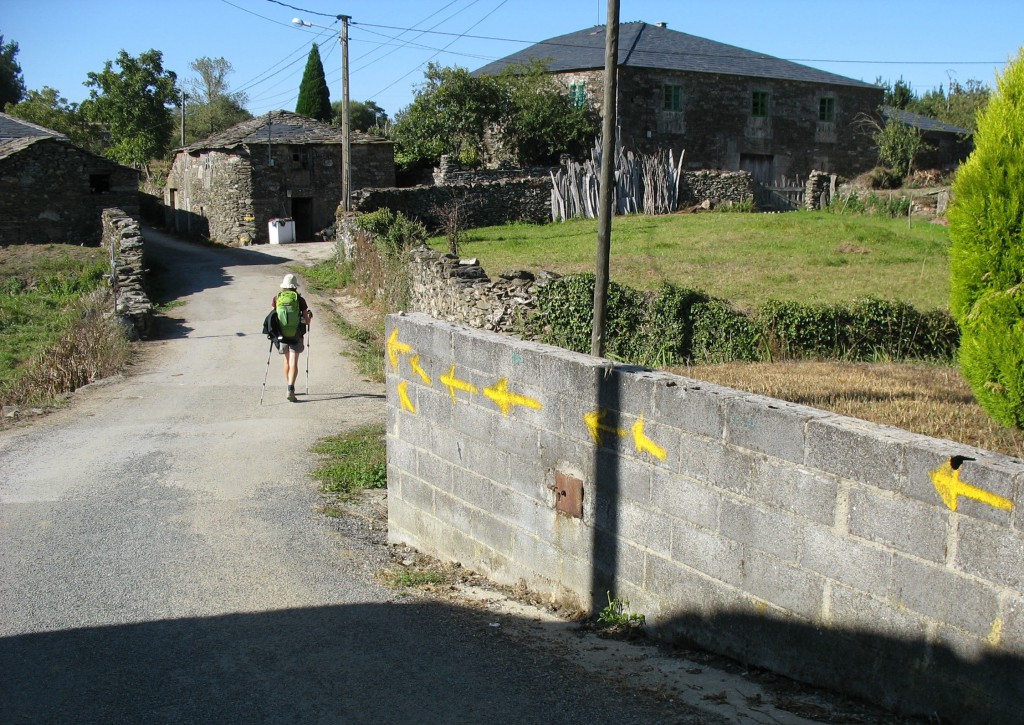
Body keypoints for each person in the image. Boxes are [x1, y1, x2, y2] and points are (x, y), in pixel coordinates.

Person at [272, 273, 313, 402]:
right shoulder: (300, 300)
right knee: (293, 361)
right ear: (295, 286)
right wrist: (309, 317)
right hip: (296, 334)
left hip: (281, 335)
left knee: (286, 361)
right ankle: (291, 387)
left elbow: (273, 316)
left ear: (284, 286)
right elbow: (306, 321)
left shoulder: (277, 298)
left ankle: (288, 387)